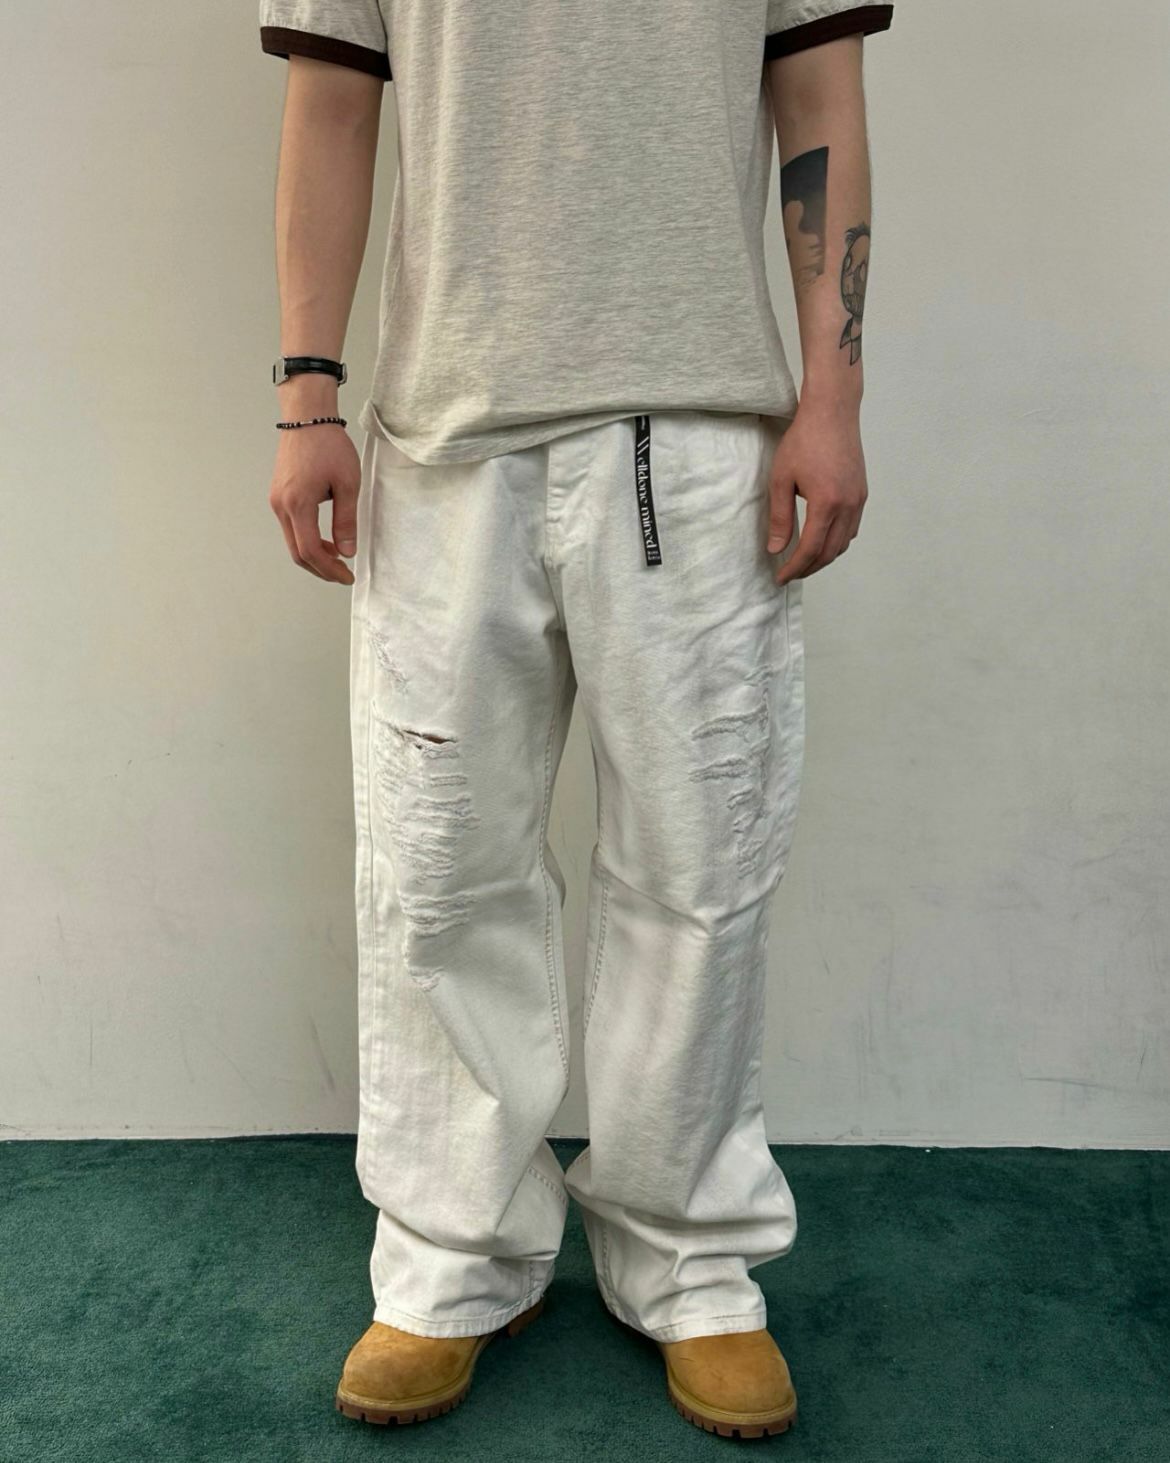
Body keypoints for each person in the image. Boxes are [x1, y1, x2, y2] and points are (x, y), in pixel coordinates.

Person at [259, 0, 893, 1440]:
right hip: (443, 439)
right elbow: (333, 106)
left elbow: (820, 104)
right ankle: (452, 1259)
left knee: (699, 869)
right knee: (439, 871)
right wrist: (305, 398)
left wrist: (835, 393)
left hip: (699, 433)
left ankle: (690, 1262)